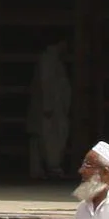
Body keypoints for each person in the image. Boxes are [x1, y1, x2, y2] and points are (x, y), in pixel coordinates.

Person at [29, 41, 73, 180]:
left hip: (55, 106)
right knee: (51, 137)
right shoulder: (48, 59)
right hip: (52, 108)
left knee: (48, 137)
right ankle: (52, 167)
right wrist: (48, 106)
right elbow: (46, 83)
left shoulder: (54, 58)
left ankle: (46, 168)